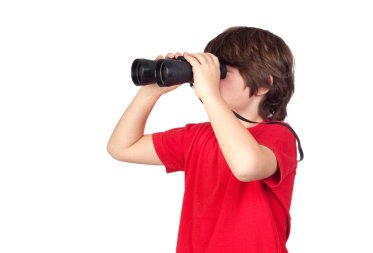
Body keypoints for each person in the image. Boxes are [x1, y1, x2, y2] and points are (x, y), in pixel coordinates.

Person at [107, 26, 299, 253]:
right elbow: (121, 147)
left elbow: (246, 166)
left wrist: (210, 94)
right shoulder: (196, 137)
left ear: (264, 85)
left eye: (222, 72)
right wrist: (150, 92)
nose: (210, 80)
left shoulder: (278, 136)